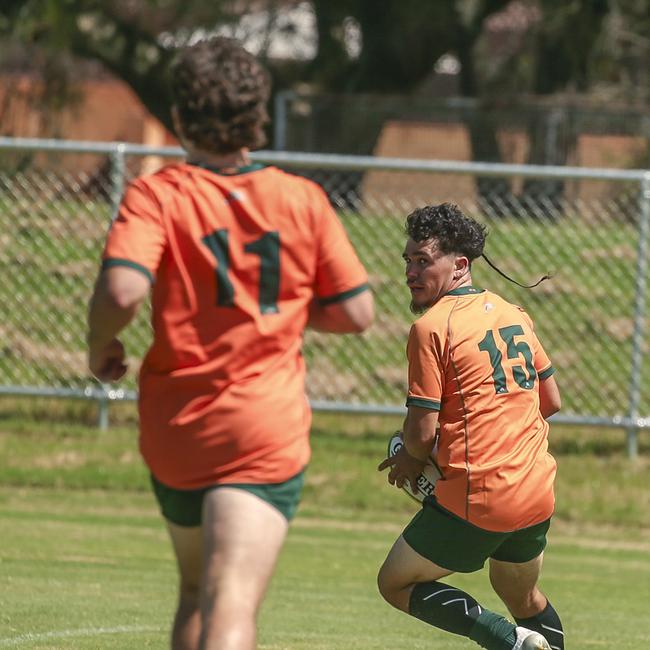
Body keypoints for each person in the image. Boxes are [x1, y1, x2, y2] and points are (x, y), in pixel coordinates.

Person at [87, 36, 373, 650]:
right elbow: (356, 312)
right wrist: (288, 310)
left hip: (177, 425)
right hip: (260, 427)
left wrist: (98, 347)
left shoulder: (157, 194)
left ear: (181, 118)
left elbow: (121, 292)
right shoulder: (301, 199)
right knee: (232, 599)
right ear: (259, 117)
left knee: (195, 592)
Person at [377, 203, 563, 650]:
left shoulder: (431, 328)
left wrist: (408, 461)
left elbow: (421, 437)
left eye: (424, 261)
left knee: (395, 584)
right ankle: (534, 639)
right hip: (536, 491)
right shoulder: (512, 312)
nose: (412, 272)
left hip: (482, 496)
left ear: (460, 265)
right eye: (408, 260)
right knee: (523, 595)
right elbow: (551, 402)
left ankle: (509, 641)